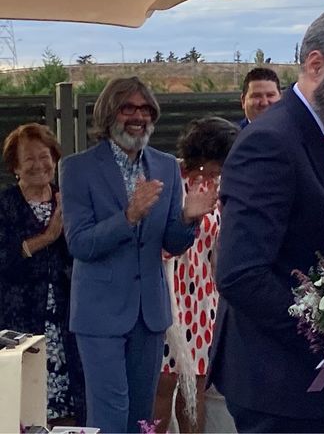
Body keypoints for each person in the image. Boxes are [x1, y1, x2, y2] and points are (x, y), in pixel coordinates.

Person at [208, 8, 324, 433]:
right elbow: (241, 274)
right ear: (316, 64)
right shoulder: (269, 142)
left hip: (323, 386)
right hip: (278, 387)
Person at [60, 77, 215, 433]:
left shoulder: (164, 166)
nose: (138, 116)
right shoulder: (77, 169)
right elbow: (80, 244)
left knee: (141, 417)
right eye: (128, 108)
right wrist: (128, 216)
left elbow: (172, 243)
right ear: (107, 114)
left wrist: (189, 218)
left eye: (145, 109)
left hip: (150, 314)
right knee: (110, 412)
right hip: (100, 315)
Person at [153, 117, 239, 433]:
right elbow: (155, 240)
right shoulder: (170, 181)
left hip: (203, 297)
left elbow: (219, 244)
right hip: (168, 292)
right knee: (164, 383)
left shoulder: (221, 185)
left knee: (197, 385)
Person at [0, 123, 85, 426]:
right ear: (15, 168)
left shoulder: (70, 199)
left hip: (68, 322)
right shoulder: (5, 204)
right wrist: (47, 237)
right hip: (19, 322)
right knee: (22, 406)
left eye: (45, 156)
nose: (39, 165)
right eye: (29, 159)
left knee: (71, 406)